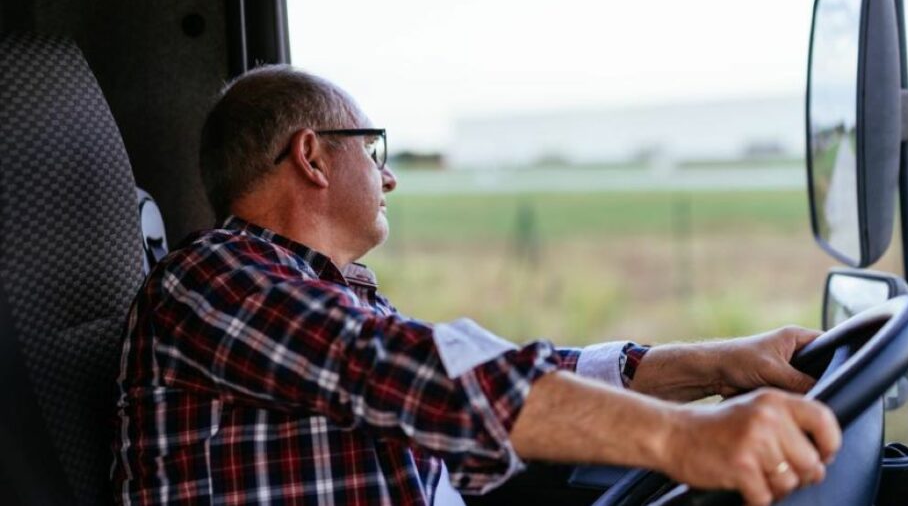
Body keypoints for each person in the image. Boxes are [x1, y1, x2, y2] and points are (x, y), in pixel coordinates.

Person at [111, 65, 841, 506]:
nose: (390, 175)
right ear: (311, 155)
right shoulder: (209, 280)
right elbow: (423, 375)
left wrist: (722, 365)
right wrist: (687, 439)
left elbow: (506, 373)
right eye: (374, 150)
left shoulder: (332, 296)